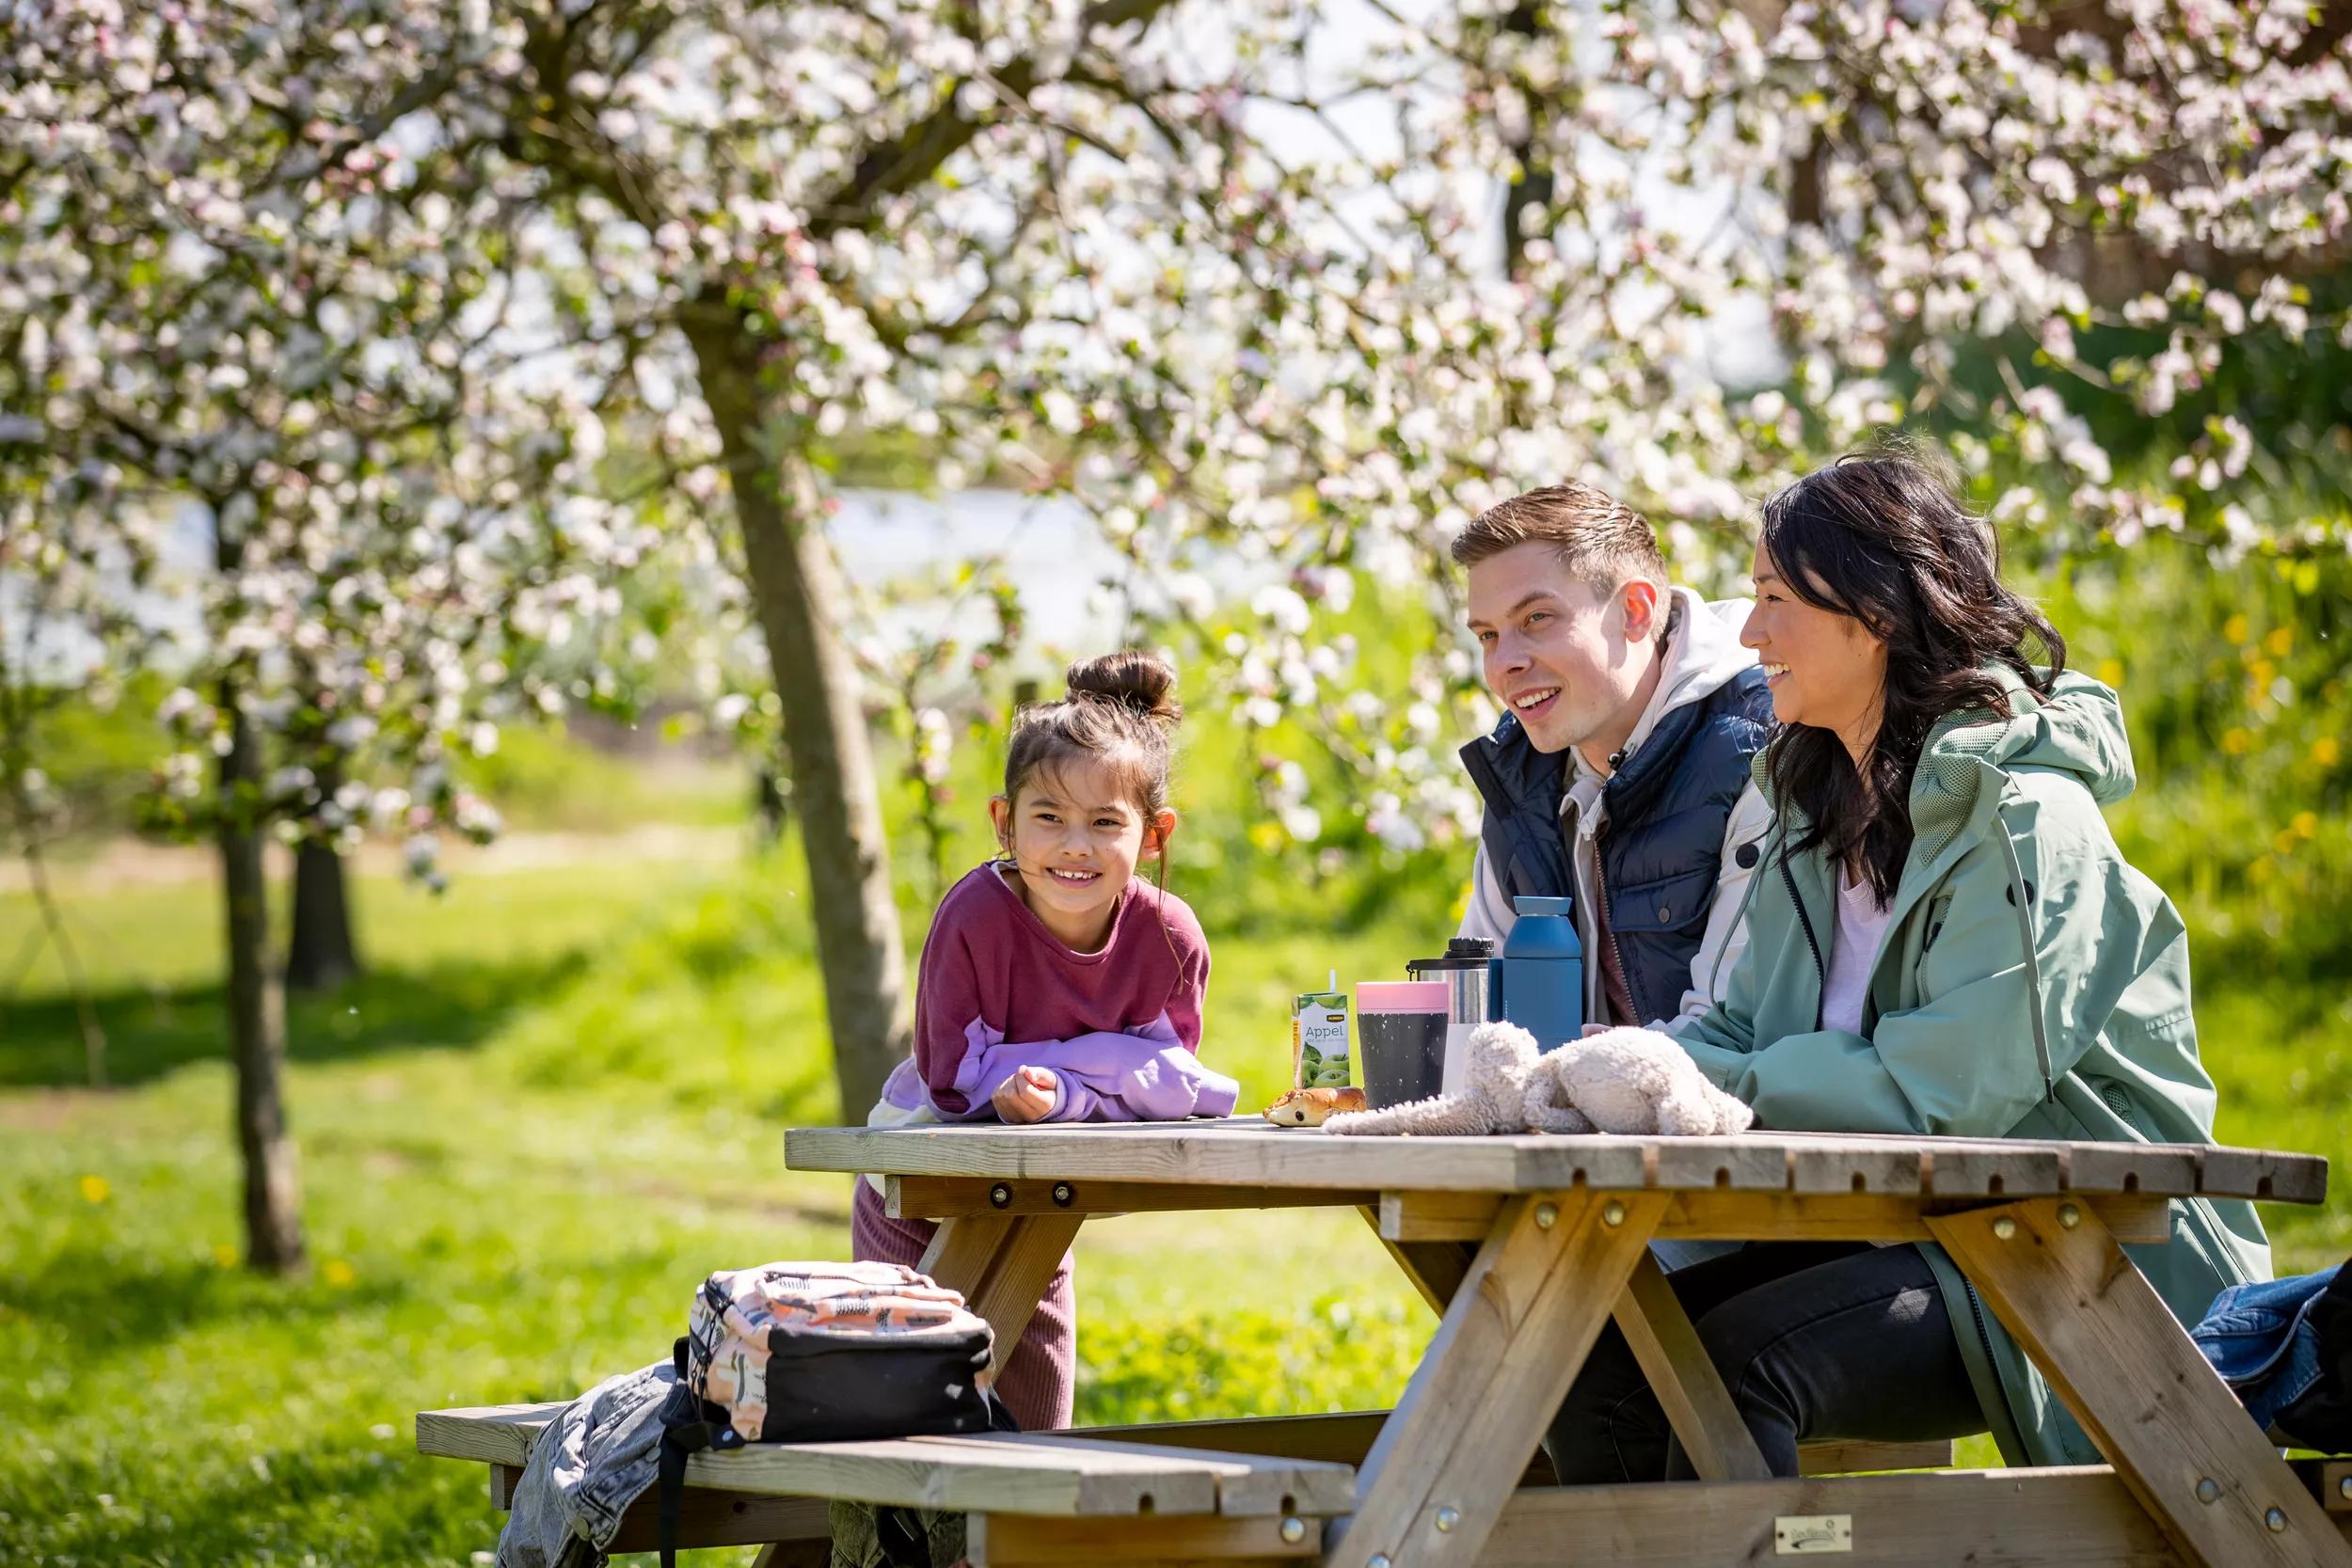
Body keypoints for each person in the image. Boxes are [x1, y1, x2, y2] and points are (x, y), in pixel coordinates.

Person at [1545, 447, 2271, 1481]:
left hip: (2070, 1262)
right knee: (1587, 1348)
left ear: (1875, 611)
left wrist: (1707, 1081)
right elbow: (1738, 1031)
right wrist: (1603, 1070)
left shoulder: (2027, 823)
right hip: (1894, 1233)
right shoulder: (1813, 815)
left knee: (1733, 1363)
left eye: (1772, 598)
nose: (1747, 633)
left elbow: (1942, 1092)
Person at [850, 651, 1237, 1433]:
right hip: (919, 1189)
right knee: (900, 1419)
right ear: (1005, 822)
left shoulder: (1168, 937)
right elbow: (954, 1079)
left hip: (1044, 1208)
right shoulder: (974, 919)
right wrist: (1062, 1079)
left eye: (1105, 822)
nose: (1074, 846)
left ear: (1154, 833)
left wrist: (1056, 1088)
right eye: (1049, 818)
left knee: (1034, 1421)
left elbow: (1168, 1087)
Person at [1455, 483, 1773, 1033]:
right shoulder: (1518, 775)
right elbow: (1477, 1018)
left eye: (1536, 619)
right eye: (1487, 634)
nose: (1503, 663)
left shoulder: (1759, 747)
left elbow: (1728, 1032)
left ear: (1634, 610)